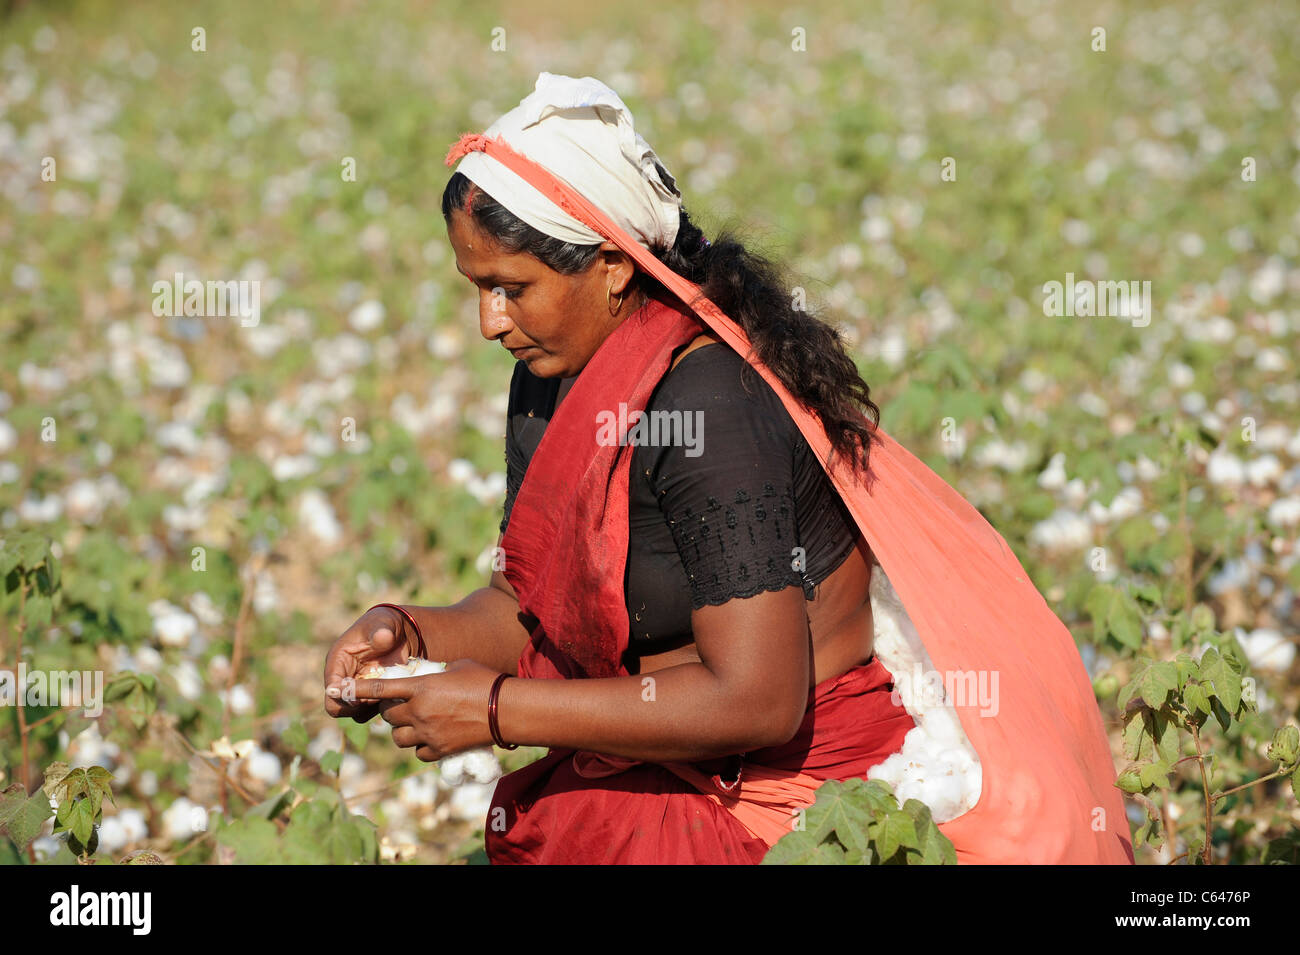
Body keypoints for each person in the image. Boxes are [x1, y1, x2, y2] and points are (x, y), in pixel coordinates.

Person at [324, 73, 1134, 865]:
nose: (487, 322)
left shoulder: (709, 401)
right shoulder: (548, 377)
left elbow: (757, 699)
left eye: (512, 288)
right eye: (478, 288)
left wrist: (498, 709)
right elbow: (522, 603)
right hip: (663, 754)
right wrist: (414, 634)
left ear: (611, 265)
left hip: (796, 792)